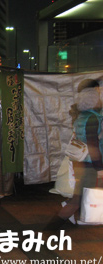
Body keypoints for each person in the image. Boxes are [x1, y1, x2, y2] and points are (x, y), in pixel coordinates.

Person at [46, 80, 103, 229]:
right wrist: (99, 168)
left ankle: (56, 224)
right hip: (90, 164)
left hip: (82, 162)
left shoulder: (82, 116)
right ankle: (54, 226)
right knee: (78, 199)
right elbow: (92, 143)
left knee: (80, 197)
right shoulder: (93, 118)